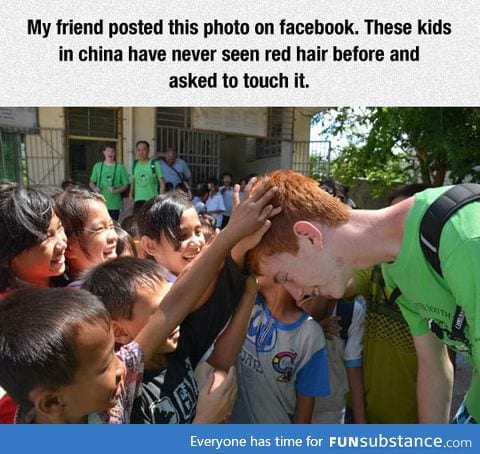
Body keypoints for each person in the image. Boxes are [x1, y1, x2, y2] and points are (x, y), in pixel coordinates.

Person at [0, 176, 277, 424]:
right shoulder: (114, 404)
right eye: (106, 363)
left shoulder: (116, 374)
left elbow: (172, 308)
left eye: (58, 228)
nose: (124, 361)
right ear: (51, 402)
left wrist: (232, 239)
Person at [248, 169, 480, 424]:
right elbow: (434, 365)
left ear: (309, 236)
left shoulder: (463, 236)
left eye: (286, 276)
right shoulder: (392, 267)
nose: (296, 293)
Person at [83, 257, 255, 424]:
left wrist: (248, 292)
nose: (175, 317)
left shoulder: (174, 348)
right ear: (119, 331)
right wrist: (206, 421)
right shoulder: (124, 396)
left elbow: (221, 354)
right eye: (161, 311)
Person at [230, 275, 330, 423]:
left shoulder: (309, 335)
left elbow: (304, 413)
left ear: (287, 276)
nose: (253, 266)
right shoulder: (248, 301)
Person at [55, 187, 118, 285]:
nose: (113, 236)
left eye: (111, 226)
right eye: (99, 229)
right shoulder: (77, 297)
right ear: (68, 248)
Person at [89, 143, 129, 221]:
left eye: (113, 151)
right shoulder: (97, 166)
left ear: (115, 153)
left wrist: (116, 190)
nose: (110, 153)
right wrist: (94, 188)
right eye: (108, 151)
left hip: (115, 204)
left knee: (113, 226)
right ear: (104, 152)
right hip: (99, 203)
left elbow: (126, 185)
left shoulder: (120, 167)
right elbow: (91, 182)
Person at [129, 141, 165, 214]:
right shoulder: (134, 165)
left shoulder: (155, 164)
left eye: (144, 150)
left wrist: (160, 198)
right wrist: (130, 195)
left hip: (151, 203)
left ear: (148, 151)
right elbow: (133, 181)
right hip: (138, 203)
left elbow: (162, 183)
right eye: (139, 150)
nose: (141, 152)